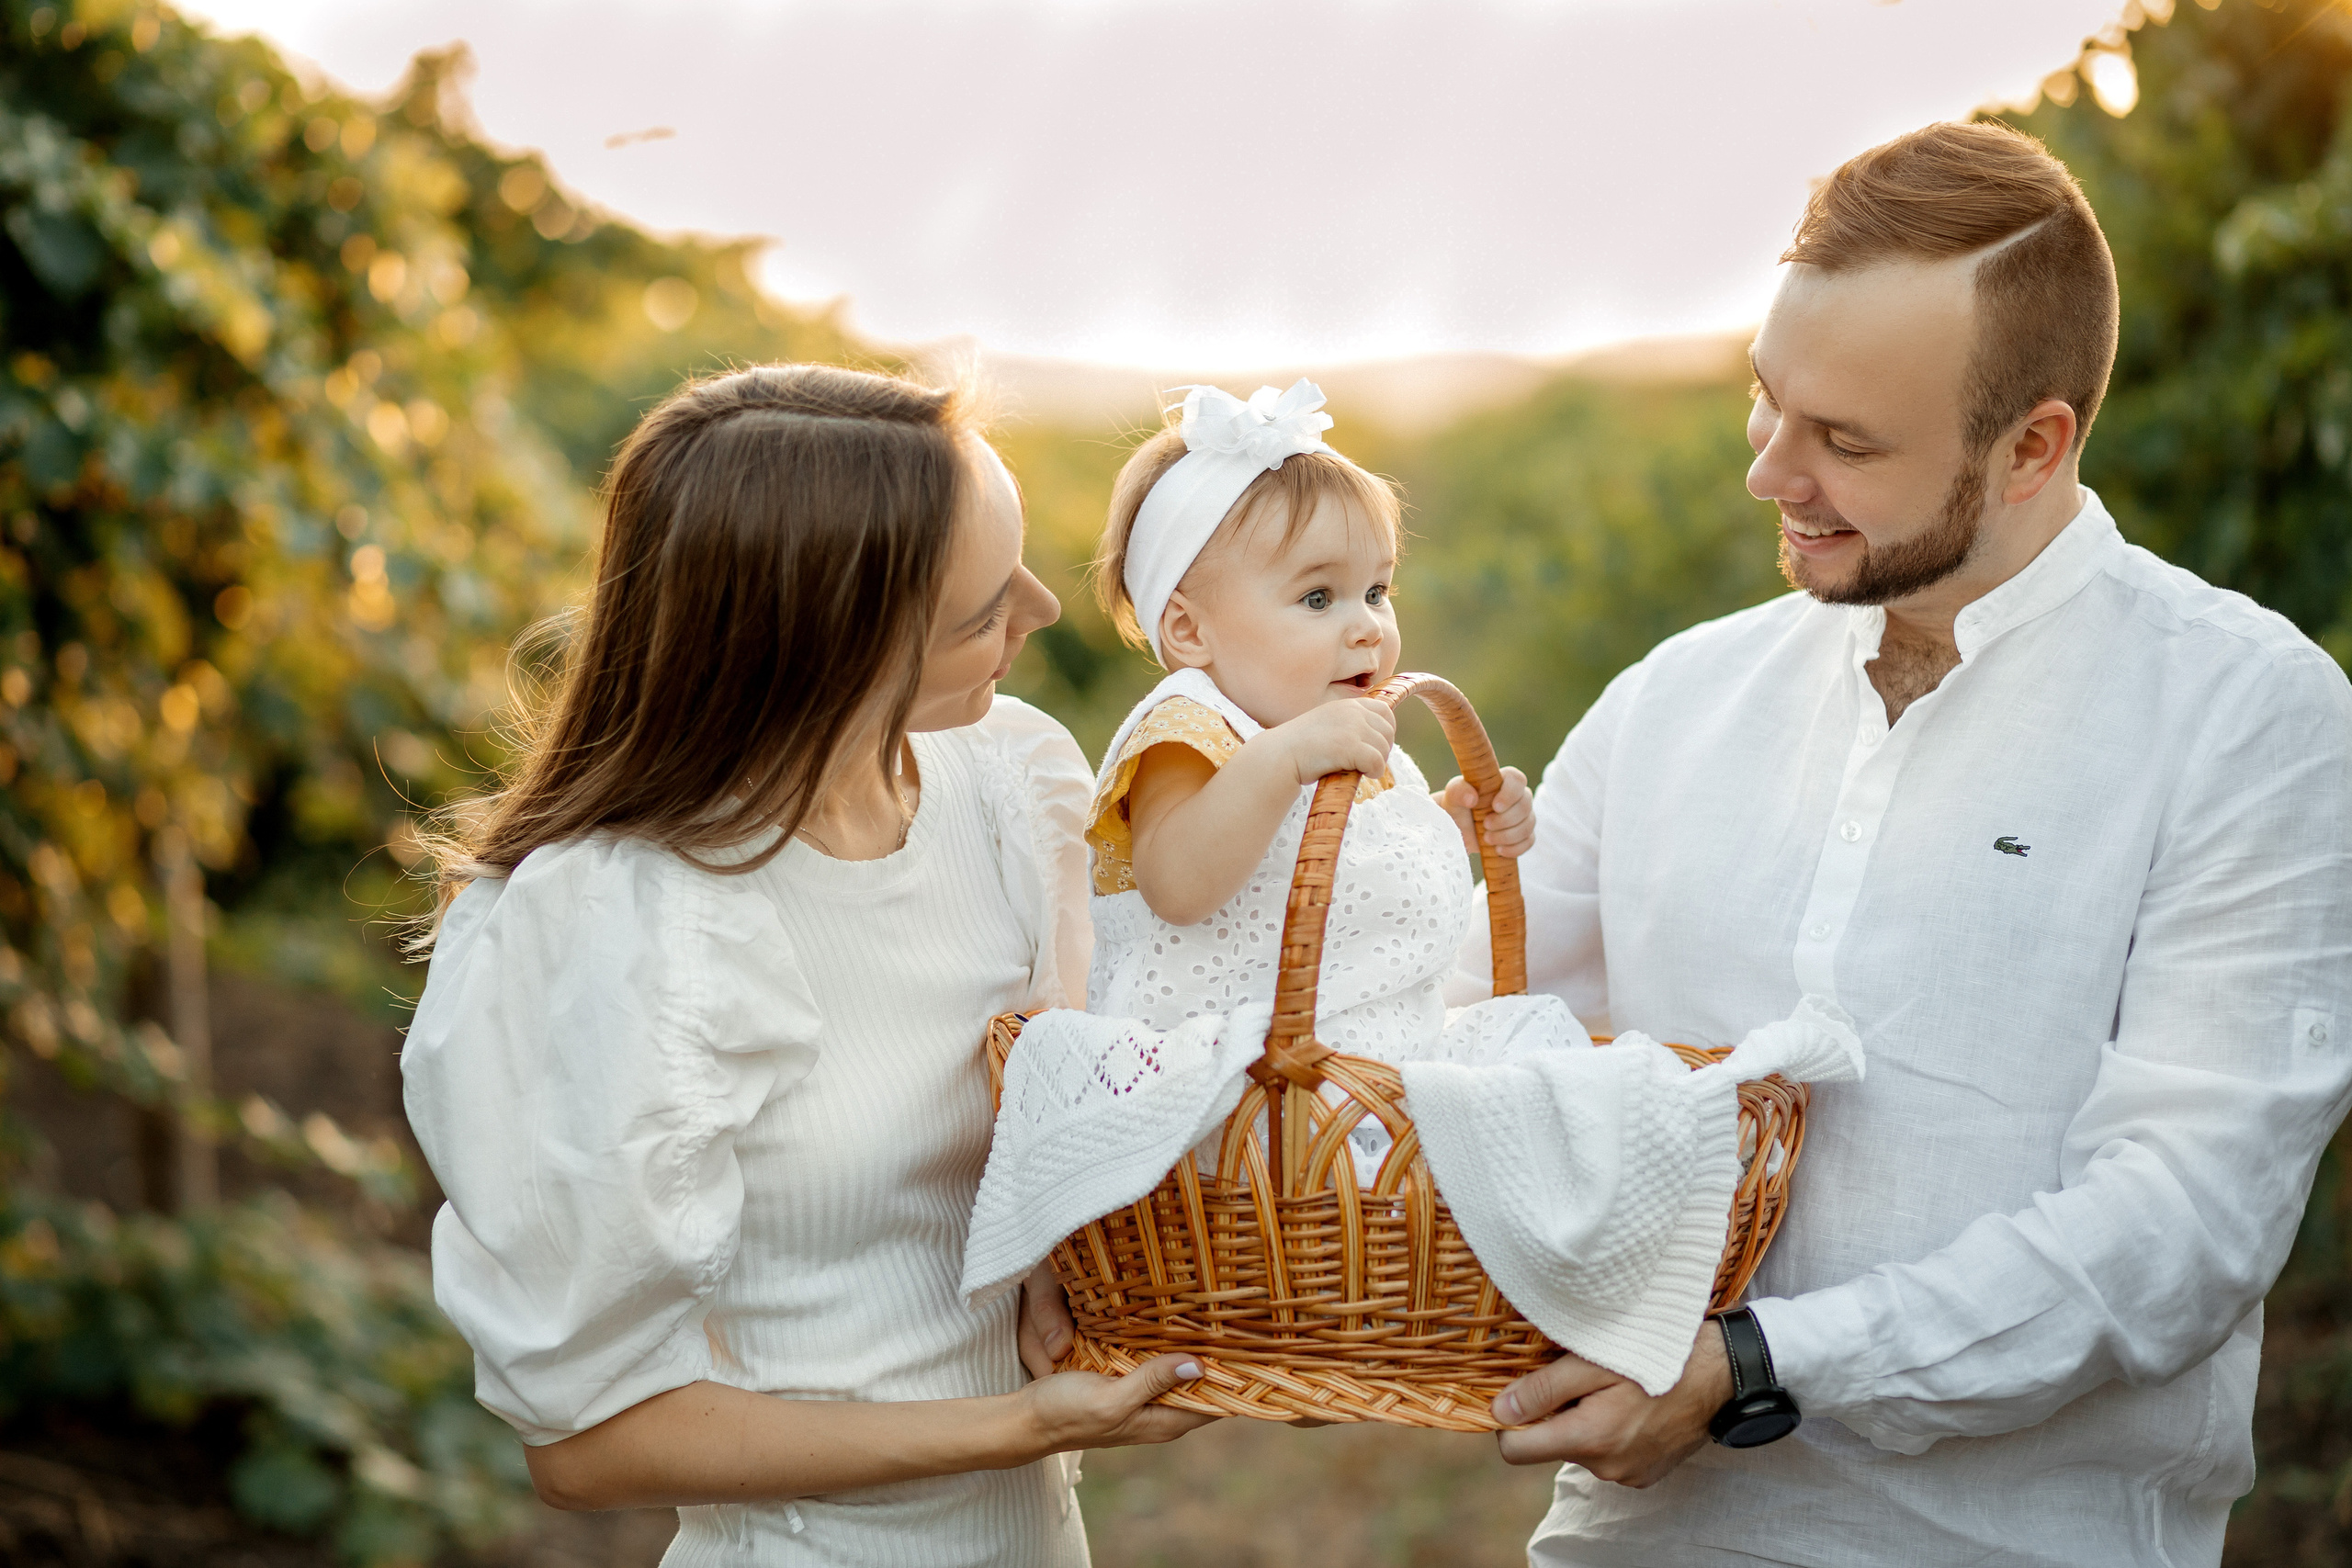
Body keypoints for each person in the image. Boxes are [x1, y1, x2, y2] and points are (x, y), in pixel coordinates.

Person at [1454, 120, 2352, 1566]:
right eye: (1768, 403)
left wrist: (1755, 1366)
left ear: (2033, 447)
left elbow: (2179, 1227)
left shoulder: (2249, 717)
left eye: (1847, 443)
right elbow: (1457, 1044)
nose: (1770, 475)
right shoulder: (1674, 699)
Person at [400, 364, 1212, 1568]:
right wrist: (1012, 1426)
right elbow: (588, 1448)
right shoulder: (633, 923)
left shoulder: (1004, 778)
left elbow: (1063, 1087)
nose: (1042, 610)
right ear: (837, 653)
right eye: (986, 607)